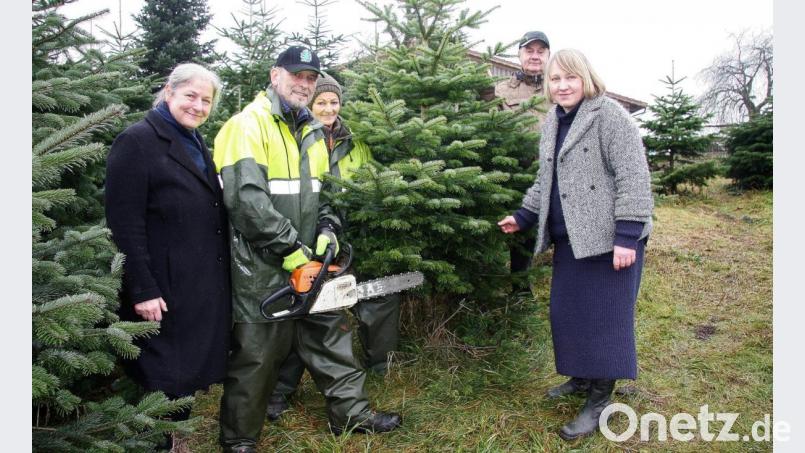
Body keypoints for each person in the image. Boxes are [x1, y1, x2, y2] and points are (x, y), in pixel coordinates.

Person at [213, 46, 401, 453]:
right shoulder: (246, 126)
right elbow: (247, 202)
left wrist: (329, 230)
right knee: (257, 356)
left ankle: (352, 416)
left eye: (311, 78)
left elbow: (327, 194)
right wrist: (292, 252)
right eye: (297, 75)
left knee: (332, 337)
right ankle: (240, 438)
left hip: (312, 261)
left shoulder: (314, 131)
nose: (304, 83)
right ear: (275, 74)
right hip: (260, 267)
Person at [497, 48, 653, 441]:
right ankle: (582, 377)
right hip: (573, 240)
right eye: (554, 79)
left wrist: (627, 236)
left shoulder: (610, 116)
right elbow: (545, 178)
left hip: (610, 241)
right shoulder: (553, 120)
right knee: (568, 314)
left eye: (570, 77)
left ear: (586, 78)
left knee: (604, 321)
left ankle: (600, 401)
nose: (562, 85)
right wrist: (524, 215)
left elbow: (634, 177)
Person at [105, 63, 231, 452]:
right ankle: (156, 444)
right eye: (189, 95)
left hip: (195, 281)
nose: (197, 106)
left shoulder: (194, 141)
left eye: (205, 100)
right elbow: (123, 224)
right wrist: (142, 288)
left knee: (184, 370)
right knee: (163, 372)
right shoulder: (138, 141)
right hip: (161, 286)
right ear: (168, 92)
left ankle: (177, 441)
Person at [265, 73, 402, 421]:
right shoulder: (301, 137)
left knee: (361, 301)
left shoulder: (355, 141)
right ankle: (279, 391)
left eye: (334, 101)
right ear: (310, 103)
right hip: (308, 238)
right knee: (304, 311)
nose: (328, 108)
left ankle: (374, 372)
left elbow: (374, 182)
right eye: (321, 102)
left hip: (348, 235)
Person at [488, 31, 552, 289]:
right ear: (520, 55)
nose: (535, 56)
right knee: (521, 231)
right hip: (516, 174)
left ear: (548, 55)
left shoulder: (558, 86)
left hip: (554, 171)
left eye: (541, 51)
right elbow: (488, 124)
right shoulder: (502, 90)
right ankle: (520, 288)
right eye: (529, 50)